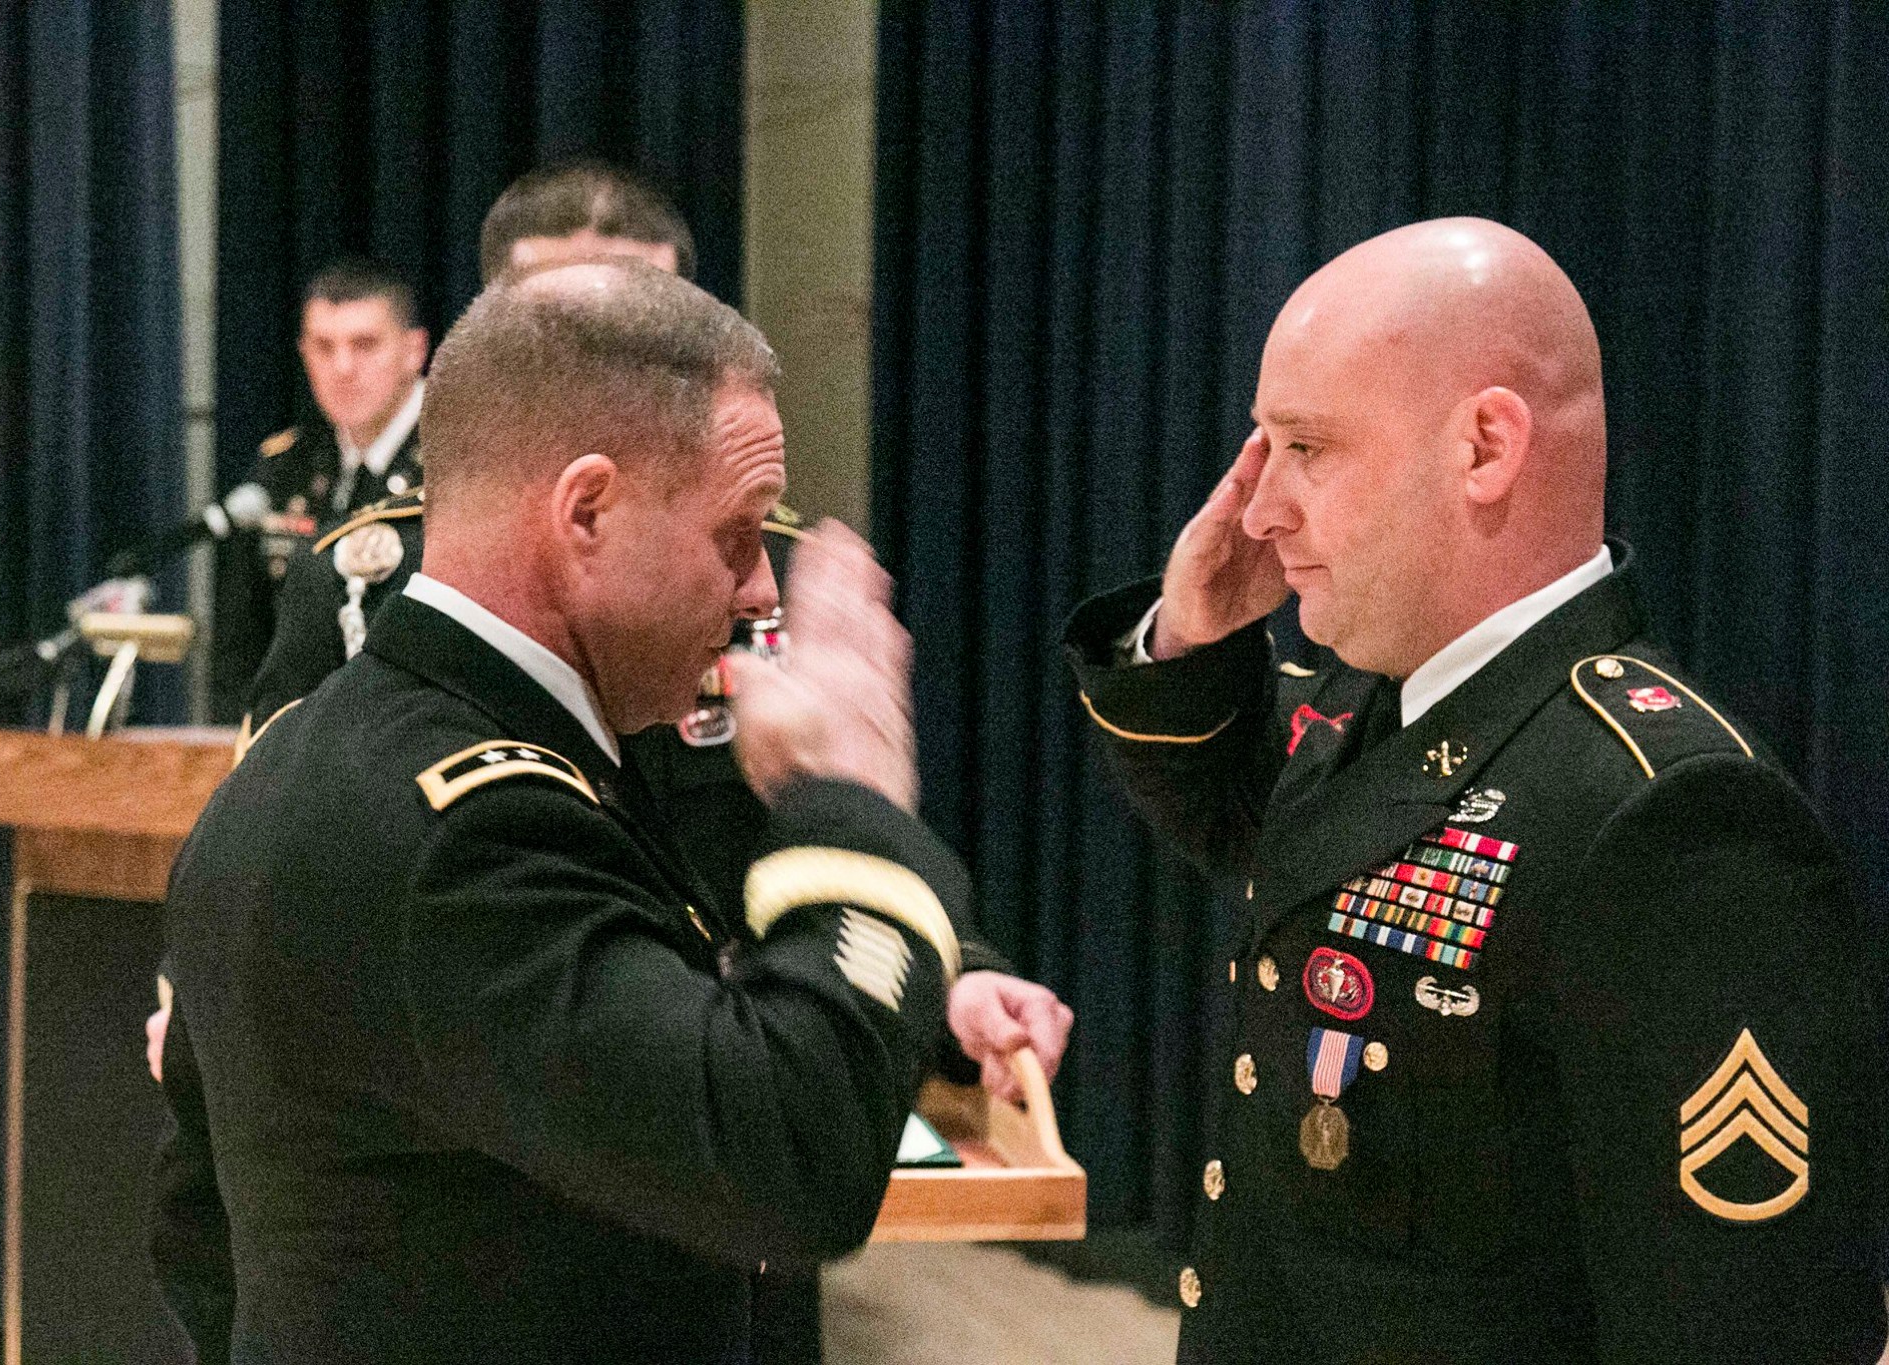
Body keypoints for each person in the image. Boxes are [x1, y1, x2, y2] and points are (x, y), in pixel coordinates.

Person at [164, 258, 1024, 1363]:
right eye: (736, 530)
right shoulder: (468, 832)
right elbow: (790, 1162)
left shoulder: (334, 758)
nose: (761, 586)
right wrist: (848, 808)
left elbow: (193, 1224)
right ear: (587, 512)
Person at [1065, 218, 1886, 1363]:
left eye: (1305, 448)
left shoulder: (1665, 817)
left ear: (1484, 448)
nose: (1257, 511)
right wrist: (1191, 637)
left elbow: (1739, 1322)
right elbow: (1258, 843)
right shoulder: (1377, 702)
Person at [209, 257, 429, 719]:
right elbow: (239, 648)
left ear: (414, 350)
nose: (343, 367)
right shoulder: (284, 467)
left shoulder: (455, 462)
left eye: (365, 345)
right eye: (323, 347)